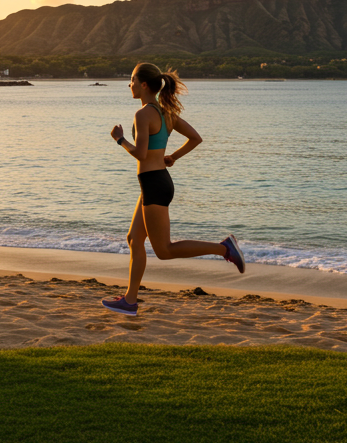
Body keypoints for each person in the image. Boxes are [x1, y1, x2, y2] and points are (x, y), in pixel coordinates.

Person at [102, 62, 244, 316]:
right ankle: (130, 300)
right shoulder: (165, 112)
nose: (129, 84)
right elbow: (196, 138)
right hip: (155, 182)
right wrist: (173, 157)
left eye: (132, 80)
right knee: (134, 239)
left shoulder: (143, 114)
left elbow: (141, 154)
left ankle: (225, 248)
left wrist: (120, 139)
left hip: (154, 183)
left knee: (164, 250)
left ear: (144, 84)